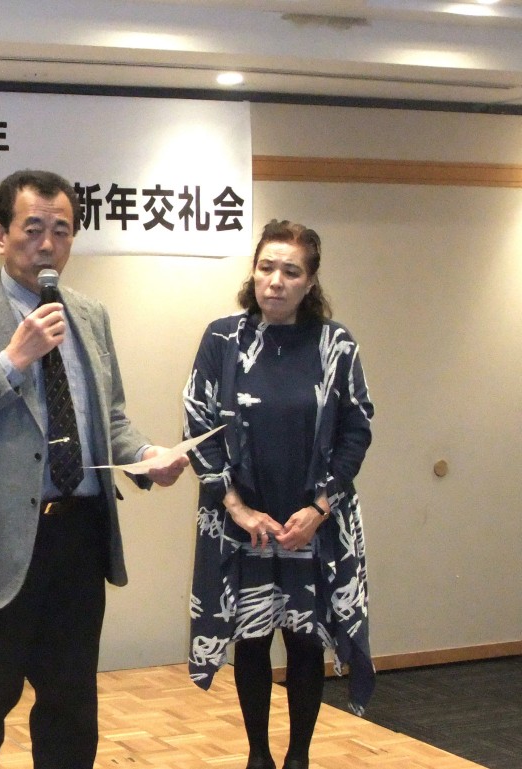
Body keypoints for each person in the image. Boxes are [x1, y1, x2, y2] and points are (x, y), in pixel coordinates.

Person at [0, 169, 187, 769]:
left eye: (61, 231)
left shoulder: (90, 315)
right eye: (32, 228)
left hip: (79, 536)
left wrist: (147, 457)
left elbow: (108, 419)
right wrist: (12, 361)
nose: (47, 244)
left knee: (71, 703)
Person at [182, 220, 375, 769]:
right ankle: (258, 756)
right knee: (251, 638)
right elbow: (198, 424)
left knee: (305, 640)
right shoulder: (223, 339)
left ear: (310, 281)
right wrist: (237, 508)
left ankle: (299, 757)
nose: (275, 280)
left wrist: (319, 508)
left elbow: (356, 429)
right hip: (244, 523)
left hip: (312, 523)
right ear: (253, 272)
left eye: (291, 271)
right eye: (266, 267)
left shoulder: (335, 344)